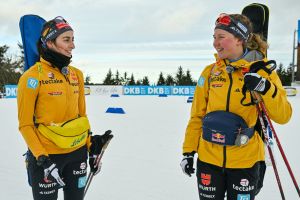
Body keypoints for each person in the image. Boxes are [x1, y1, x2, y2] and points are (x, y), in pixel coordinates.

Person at [180, 13, 292, 200]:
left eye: (221, 37)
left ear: (240, 39)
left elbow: (284, 115)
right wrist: (188, 152)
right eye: (214, 37)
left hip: (245, 161)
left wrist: (265, 87)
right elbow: (197, 116)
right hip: (208, 159)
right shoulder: (210, 73)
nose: (215, 43)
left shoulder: (262, 71)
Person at [17, 16, 113, 200]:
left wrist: (91, 146)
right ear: (50, 42)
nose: (73, 45)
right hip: (46, 158)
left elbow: (81, 117)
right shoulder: (31, 78)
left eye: (73, 39)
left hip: (77, 155)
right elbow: (25, 125)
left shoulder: (77, 75)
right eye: (66, 39)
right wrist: (42, 158)